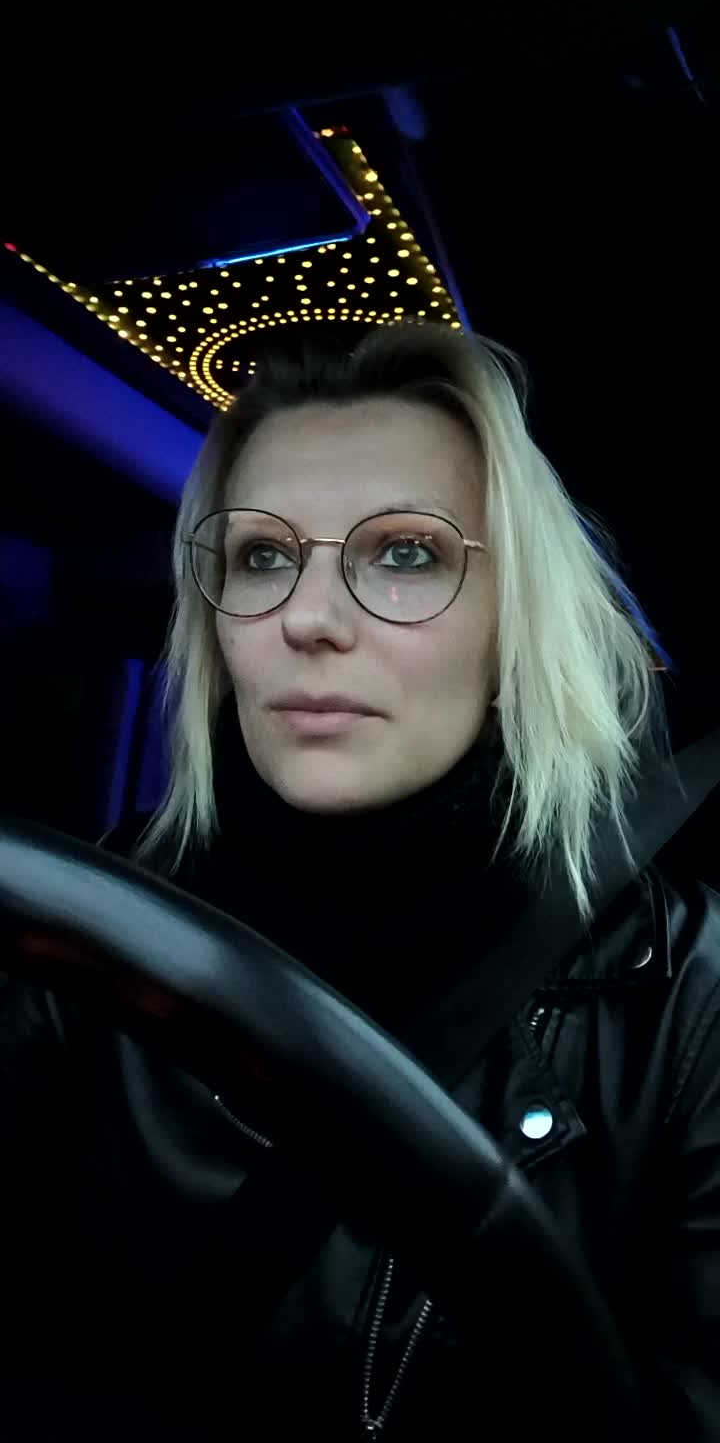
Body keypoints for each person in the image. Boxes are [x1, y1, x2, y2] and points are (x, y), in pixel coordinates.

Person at [1, 322, 719, 1441]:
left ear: (512, 623)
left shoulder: (681, 987)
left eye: (405, 554)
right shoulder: (80, 928)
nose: (306, 618)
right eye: (262, 556)